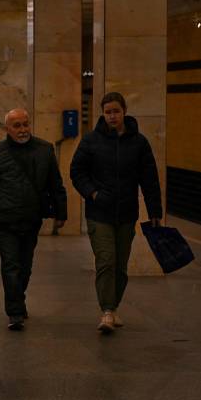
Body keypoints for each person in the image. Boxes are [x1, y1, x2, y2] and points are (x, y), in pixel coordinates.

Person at [70, 92, 162, 334]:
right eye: (108, 111)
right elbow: (77, 172)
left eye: (116, 111)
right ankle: (107, 311)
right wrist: (93, 193)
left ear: (124, 111)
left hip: (126, 213)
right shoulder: (91, 141)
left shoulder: (139, 142)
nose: (112, 116)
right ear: (103, 113)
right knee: (106, 261)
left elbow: (149, 179)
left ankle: (113, 306)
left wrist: (155, 211)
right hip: (99, 213)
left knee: (120, 266)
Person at [0, 109, 68, 330]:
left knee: (25, 266)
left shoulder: (44, 150)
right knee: (11, 265)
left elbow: (56, 184)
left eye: (26, 124)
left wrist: (61, 213)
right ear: (7, 129)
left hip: (32, 218)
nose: (23, 130)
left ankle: (18, 298)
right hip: (4, 221)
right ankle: (14, 311)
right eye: (17, 126)